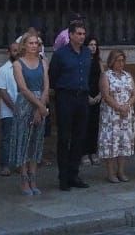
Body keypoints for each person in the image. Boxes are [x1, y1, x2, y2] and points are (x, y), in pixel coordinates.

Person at [49, 23, 92, 191]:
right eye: (79, 34)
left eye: (83, 33)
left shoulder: (87, 53)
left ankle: (74, 173)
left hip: (82, 97)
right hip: (66, 97)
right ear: (71, 35)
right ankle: (63, 176)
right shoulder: (61, 54)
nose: (82, 37)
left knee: (79, 137)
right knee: (64, 137)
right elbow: (53, 76)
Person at [12, 33, 49, 195]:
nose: (34, 46)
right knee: (24, 142)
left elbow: (46, 86)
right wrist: (39, 106)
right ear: (25, 45)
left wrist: (41, 107)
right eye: (31, 43)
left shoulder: (43, 62)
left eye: (37, 43)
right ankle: (24, 179)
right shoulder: (18, 64)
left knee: (36, 142)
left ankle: (34, 178)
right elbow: (23, 88)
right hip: (25, 104)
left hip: (41, 101)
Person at [99, 49, 135, 183]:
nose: (121, 63)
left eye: (122, 60)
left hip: (126, 114)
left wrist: (127, 106)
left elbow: (134, 94)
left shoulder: (128, 75)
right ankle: (110, 172)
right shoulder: (106, 75)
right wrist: (119, 107)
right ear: (112, 61)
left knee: (123, 142)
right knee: (111, 142)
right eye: (118, 60)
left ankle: (121, 171)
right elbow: (106, 95)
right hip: (111, 115)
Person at [0, 41, 20, 177]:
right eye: (14, 51)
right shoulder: (4, 70)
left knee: (20, 138)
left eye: (18, 50)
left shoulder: (23, 67)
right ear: (9, 53)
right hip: (8, 111)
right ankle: (5, 165)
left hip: (23, 110)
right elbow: (2, 91)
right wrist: (14, 107)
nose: (16, 53)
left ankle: (18, 164)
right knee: (7, 138)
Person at [84, 36, 103, 166]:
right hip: (85, 96)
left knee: (95, 125)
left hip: (97, 96)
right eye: (90, 44)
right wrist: (87, 96)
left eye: (95, 45)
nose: (93, 47)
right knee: (84, 125)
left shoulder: (98, 61)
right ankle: (84, 153)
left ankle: (93, 151)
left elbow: (103, 78)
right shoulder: (82, 60)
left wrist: (101, 94)